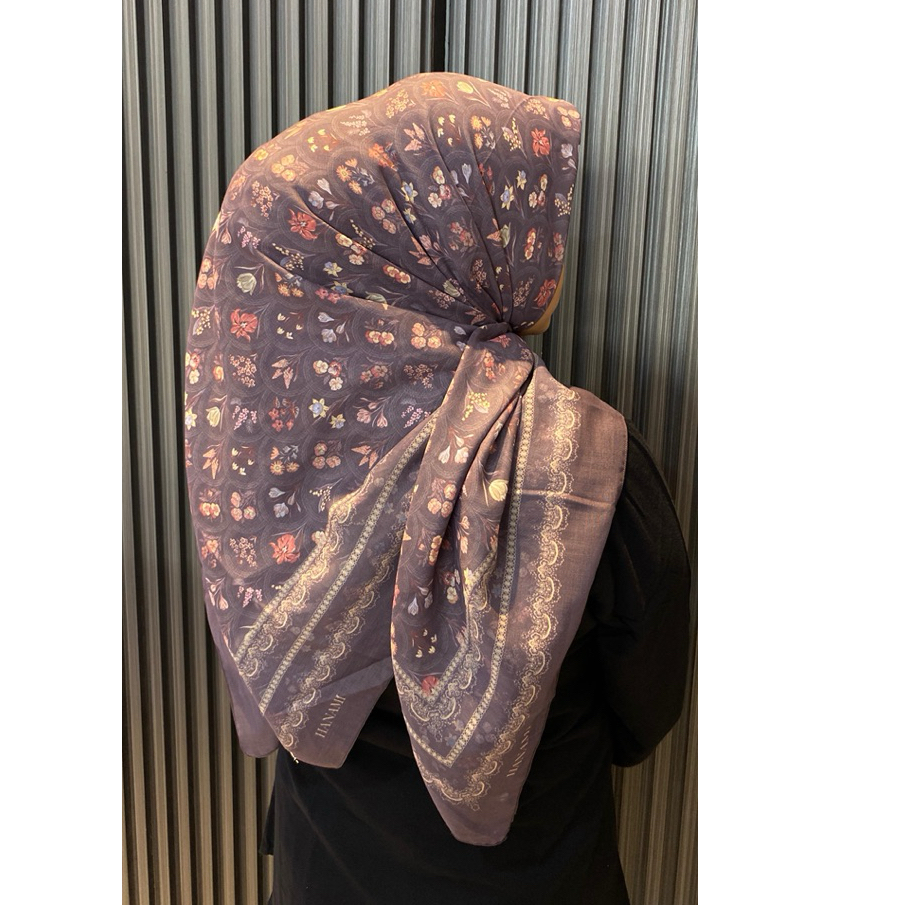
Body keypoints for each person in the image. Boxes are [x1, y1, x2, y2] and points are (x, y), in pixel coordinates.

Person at [183, 72, 691, 904]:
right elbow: (644, 711)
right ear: (440, 246)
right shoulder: (589, 468)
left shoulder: (260, 455)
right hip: (536, 878)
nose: (550, 249)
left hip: (323, 876)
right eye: (519, 216)